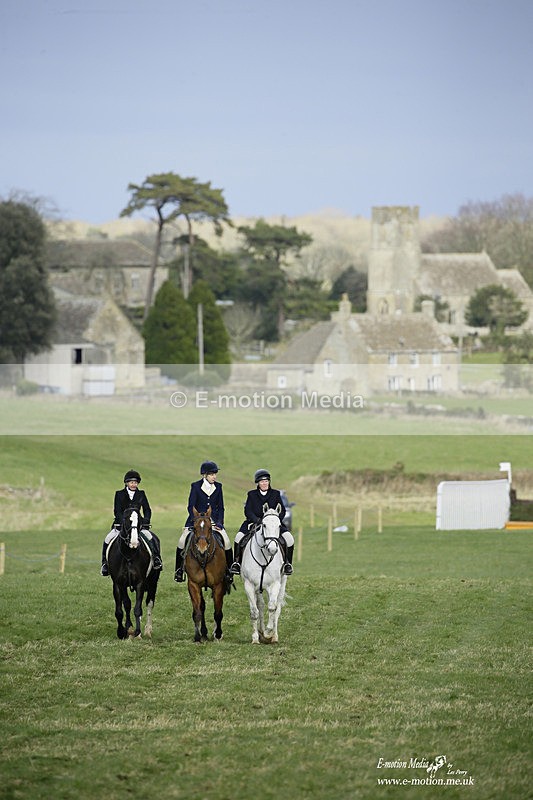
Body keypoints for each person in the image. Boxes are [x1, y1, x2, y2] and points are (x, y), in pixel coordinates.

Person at [174, 461, 234, 583]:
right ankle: (179, 570)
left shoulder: (219, 487)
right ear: (205, 475)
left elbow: (220, 507)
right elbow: (191, 506)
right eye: (212, 474)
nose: (214, 477)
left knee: (227, 541)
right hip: (196, 521)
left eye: (215, 474)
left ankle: (229, 571)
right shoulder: (195, 486)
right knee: (182, 541)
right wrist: (194, 520)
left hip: (213, 521)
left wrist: (219, 522)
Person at [230, 468, 294, 576]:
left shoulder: (276, 494)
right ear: (258, 483)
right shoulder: (251, 494)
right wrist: (257, 520)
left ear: (269, 482)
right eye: (262, 481)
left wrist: (276, 520)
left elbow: (282, 510)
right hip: (254, 522)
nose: (264, 483)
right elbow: (248, 511)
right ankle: (237, 563)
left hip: (273, 524)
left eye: (266, 481)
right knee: (238, 538)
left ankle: (287, 564)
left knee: (289, 539)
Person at [100, 469, 163, 576]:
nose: (134, 484)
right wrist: (123, 523)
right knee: (107, 539)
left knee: (151, 538)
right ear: (126, 483)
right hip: (121, 525)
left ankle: (156, 559)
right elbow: (117, 511)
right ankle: (105, 564)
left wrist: (146, 521)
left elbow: (147, 509)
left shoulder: (141, 494)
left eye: (135, 482)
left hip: (138, 524)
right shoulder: (119, 494)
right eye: (131, 482)